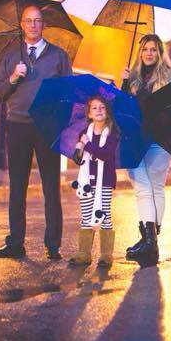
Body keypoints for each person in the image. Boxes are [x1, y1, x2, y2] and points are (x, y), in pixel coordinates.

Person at [0, 4, 72, 260]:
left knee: (51, 186)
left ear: (43, 25)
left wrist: (59, 120)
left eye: (37, 21)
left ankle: (53, 245)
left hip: (47, 127)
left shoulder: (58, 56)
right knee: (17, 186)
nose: (33, 25)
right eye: (28, 21)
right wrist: (14, 77)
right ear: (22, 25)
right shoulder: (11, 55)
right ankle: (15, 242)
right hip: (17, 125)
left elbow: (68, 94)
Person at [121, 33, 171, 266]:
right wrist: (124, 83)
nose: (149, 53)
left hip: (159, 140)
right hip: (136, 139)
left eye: (154, 49)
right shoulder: (133, 78)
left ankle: (150, 241)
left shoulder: (170, 77)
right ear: (140, 52)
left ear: (160, 53)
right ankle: (149, 240)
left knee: (150, 188)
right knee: (147, 188)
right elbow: (123, 107)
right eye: (145, 49)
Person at [68, 96, 121, 269]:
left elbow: (105, 155)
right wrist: (80, 148)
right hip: (86, 182)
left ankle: (106, 254)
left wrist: (88, 145)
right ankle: (84, 253)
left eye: (102, 107)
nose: (99, 110)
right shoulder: (84, 133)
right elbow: (78, 158)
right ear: (89, 114)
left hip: (104, 181)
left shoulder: (112, 132)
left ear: (107, 112)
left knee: (104, 214)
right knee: (85, 215)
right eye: (95, 108)